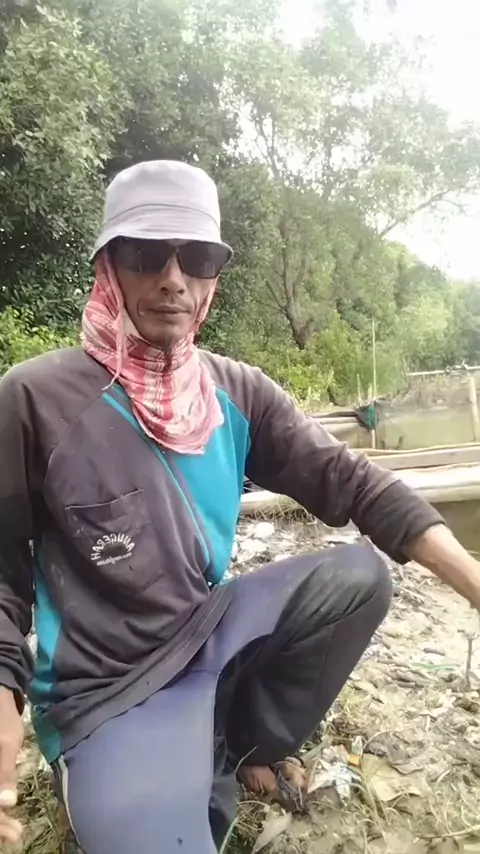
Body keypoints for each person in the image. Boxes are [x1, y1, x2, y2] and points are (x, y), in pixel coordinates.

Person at [0, 160, 479, 854]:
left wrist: (471, 580)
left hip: (207, 631)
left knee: (357, 579)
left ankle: (246, 740)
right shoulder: (35, 400)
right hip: (106, 687)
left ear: (214, 278)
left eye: (196, 258)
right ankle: (129, 761)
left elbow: (354, 481)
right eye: (147, 254)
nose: (173, 279)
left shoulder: (237, 392)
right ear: (110, 268)